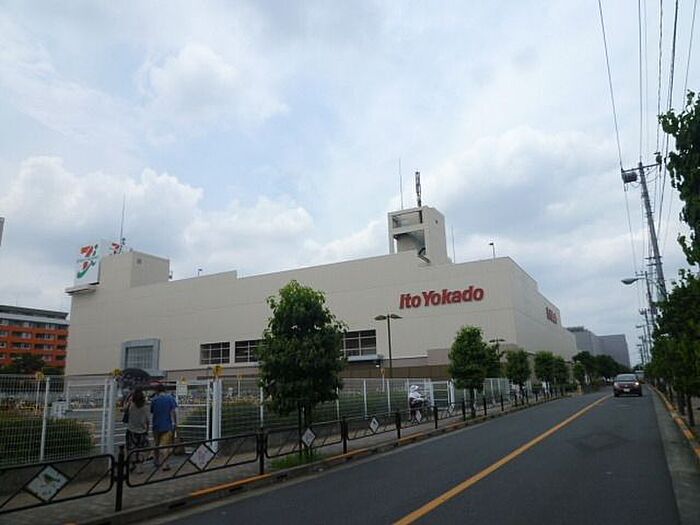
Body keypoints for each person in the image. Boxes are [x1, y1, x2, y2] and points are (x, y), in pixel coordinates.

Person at [150, 383, 178, 471]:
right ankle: (165, 464)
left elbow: (152, 411)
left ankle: (156, 460)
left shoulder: (154, 400)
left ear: (156, 391)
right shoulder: (170, 398)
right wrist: (175, 423)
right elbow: (173, 412)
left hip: (156, 425)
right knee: (164, 445)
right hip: (167, 425)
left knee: (156, 443)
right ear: (164, 390)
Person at [124, 388, 149, 473]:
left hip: (131, 430)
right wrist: (147, 429)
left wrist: (128, 400)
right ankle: (139, 468)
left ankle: (131, 464)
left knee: (131, 449)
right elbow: (147, 420)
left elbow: (124, 409)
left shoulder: (131, 406)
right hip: (142, 431)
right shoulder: (145, 407)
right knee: (141, 449)